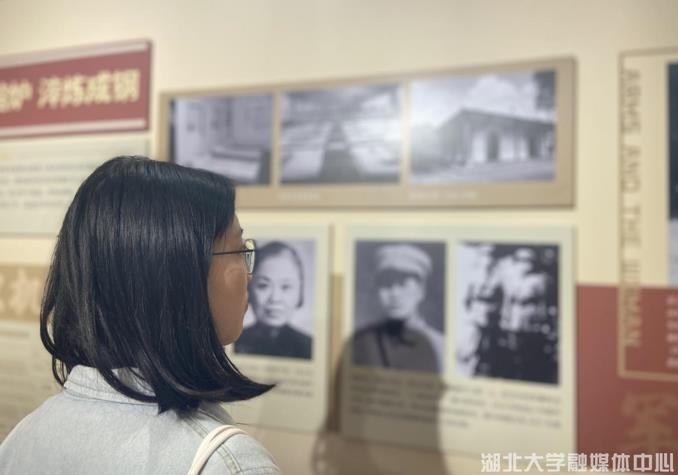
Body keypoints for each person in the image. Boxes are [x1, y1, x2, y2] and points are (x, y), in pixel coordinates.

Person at [0, 156, 281, 474]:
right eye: (239, 250)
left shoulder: (23, 438)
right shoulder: (228, 463)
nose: (248, 274)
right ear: (178, 273)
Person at [352, 243, 444, 373]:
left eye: (403, 284)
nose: (395, 294)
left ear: (421, 291)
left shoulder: (441, 347)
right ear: (377, 290)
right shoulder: (361, 344)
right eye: (387, 284)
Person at [235, 241, 312, 359]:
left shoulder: (309, 346)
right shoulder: (233, 342)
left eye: (286, 287)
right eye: (263, 285)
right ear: (249, 288)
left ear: (299, 291)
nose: (275, 298)